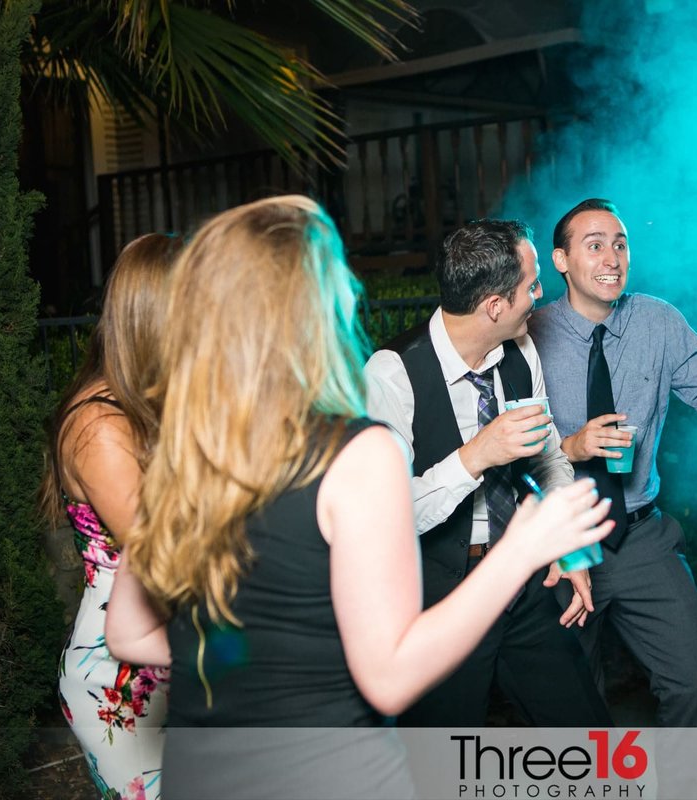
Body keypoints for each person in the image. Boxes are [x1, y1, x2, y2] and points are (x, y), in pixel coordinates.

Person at [105, 197, 612, 799]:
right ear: (317, 306)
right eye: (337, 274)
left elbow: (129, 634)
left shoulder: (181, 449)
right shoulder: (358, 442)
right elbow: (389, 678)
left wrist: (266, 655)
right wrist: (523, 545)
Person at [528, 198, 697, 728]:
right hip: (560, 541)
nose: (612, 256)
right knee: (575, 707)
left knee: (691, 682)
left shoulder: (658, 321)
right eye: (595, 245)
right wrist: (571, 447)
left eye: (620, 244)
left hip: (641, 536)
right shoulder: (531, 336)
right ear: (561, 261)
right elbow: (506, 450)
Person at [365, 218, 611, 726]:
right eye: (532, 286)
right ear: (494, 306)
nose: (540, 297)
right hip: (437, 600)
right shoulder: (393, 373)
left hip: (521, 583)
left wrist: (572, 549)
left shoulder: (520, 350)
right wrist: (475, 455)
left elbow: (549, 457)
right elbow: (383, 521)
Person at [40, 233, 179, 800]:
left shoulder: (153, 401)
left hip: (175, 645)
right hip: (122, 674)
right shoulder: (100, 426)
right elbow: (167, 548)